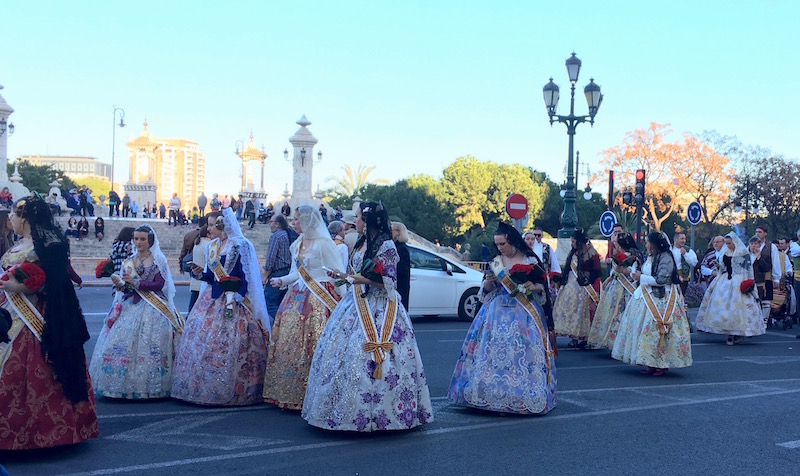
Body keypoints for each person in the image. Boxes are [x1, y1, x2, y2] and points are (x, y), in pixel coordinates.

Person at [302, 201, 433, 431]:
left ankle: (385, 414)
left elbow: (389, 284)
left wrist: (358, 279)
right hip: (355, 304)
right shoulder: (362, 242)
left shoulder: (387, 247)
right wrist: (343, 275)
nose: (356, 221)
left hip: (380, 307)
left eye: (359, 217)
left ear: (370, 220)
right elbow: (356, 274)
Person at [0, 196, 98, 449]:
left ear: (25, 218)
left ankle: (38, 433)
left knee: (31, 369)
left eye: (14, 215)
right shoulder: (18, 244)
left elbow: (53, 280)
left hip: (35, 315)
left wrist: (19, 285)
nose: (11, 219)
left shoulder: (48, 244)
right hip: (10, 308)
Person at [448, 222, 556, 415]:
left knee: (520, 355)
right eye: (497, 244)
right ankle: (488, 394)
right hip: (495, 313)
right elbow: (485, 292)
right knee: (490, 353)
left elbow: (543, 286)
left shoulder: (530, 260)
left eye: (503, 244)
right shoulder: (496, 262)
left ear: (513, 242)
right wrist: (489, 283)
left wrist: (532, 286)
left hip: (523, 313)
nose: (499, 248)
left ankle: (521, 395)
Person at [171, 209, 270, 406]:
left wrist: (237, 297)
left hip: (234, 300)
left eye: (211, 225)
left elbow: (246, 277)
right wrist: (199, 273)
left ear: (222, 225)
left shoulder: (241, 246)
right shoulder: (212, 247)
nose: (208, 229)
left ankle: (236, 388)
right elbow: (212, 277)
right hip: (211, 297)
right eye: (208, 225)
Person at [263, 206, 344, 410]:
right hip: (297, 296)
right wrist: (281, 281)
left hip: (319, 297)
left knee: (314, 342)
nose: (294, 223)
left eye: (297, 219)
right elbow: (296, 273)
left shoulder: (324, 244)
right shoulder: (297, 243)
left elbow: (339, 273)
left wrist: (345, 303)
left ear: (307, 221)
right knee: (291, 343)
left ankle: (315, 392)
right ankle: (291, 392)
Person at [89, 225, 182, 399]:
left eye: (142, 239)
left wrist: (137, 283)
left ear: (150, 241)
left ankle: (151, 385)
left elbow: (159, 284)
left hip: (153, 306)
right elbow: (127, 288)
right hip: (130, 305)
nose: (138, 242)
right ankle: (121, 384)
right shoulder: (128, 261)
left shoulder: (158, 260)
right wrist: (122, 286)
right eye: (136, 239)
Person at [611, 232, 692, 376]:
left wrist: (641, 277)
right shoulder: (650, 257)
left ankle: (661, 363)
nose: (646, 245)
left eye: (648, 242)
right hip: (646, 295)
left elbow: (662, 280)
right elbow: (644, 275)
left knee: (655, 330)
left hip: (662, 298)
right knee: (645, 330)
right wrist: (630, 272)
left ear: (654, 244)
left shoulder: (666, 258)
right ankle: (650, 361)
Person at [695, 232, 765, 345]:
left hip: (739, 280)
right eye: (726, 243)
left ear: (734, 242)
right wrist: (719, 267)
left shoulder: (743, 253)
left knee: (737, 308)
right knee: (724, 307)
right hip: (724, 281)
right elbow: (723, 268)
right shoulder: (725, 252)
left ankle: (737, 333)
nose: (727, 245)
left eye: (729, 243)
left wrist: (749, 283)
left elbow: (748, 269)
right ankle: (729, 332)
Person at [588, 232, 644, 350]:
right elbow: (615, 272)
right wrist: (608, 279)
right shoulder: (620, 255)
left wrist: (622, 269)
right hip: (616, 287)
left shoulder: (633, 257)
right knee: (612, 314)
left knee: (621, 314)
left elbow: (633, 273)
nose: (615, 246)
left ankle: (621, 343)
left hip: (626, 290)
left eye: (617, 243)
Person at [552, 228, 602, 348]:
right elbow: (568, 269)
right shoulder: (574, 252)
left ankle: (582, 336)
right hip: (570, 284)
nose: (572, 243)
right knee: (569, 309)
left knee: (581, 313)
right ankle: (571, 335)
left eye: (574, 241)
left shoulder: (591, 253)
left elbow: (597, 272)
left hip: (584, 287)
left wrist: (595, 288)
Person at [262, 214, 293, 317]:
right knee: (281, 303)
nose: (269, 224)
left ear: (277, 224)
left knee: (269, 303)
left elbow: (270, 259)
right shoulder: (287, 234)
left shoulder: (276, 236)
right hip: (287, 273)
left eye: (271, 222)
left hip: (277, 274)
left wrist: (265, 276)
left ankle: (278, 327)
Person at [188, 226, 210, 312]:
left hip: (195, 279)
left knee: (192, 308)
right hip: (203, 280)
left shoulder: (197, 244)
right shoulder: (208, 245)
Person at [392, 221, 411, 311]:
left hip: (400, 285)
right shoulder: (394, 246)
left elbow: (402, 269)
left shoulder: (402, 248)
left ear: (398, 232)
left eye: (391, 230)